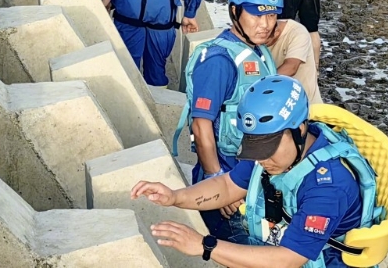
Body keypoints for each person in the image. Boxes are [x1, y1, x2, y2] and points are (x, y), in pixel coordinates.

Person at [135, 75, 367, 268]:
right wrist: (176, 197)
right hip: (283, 238)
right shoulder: (271, 153)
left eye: (269, 148)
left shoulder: (328, 186)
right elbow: (228, 186)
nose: (262, 159)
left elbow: (288, 259)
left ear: (300, 130)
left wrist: (205, 246)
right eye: (255, 147)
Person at [173, 0, 281, 238]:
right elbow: (201, 127)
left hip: (255, 179)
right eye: (256, 15)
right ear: (234, 11)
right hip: (227, 181)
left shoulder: (260, 52)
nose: (265, 24)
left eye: (271, 16)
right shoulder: (219, 61)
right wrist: (216, 180)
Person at [267, 19, 323, 105]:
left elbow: (291, 67)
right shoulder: (254, 34)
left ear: (277, 32)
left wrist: (258, 85)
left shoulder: (297, 33)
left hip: (307, 105)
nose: (259, 44)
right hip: (277, 104)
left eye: (265, 42)